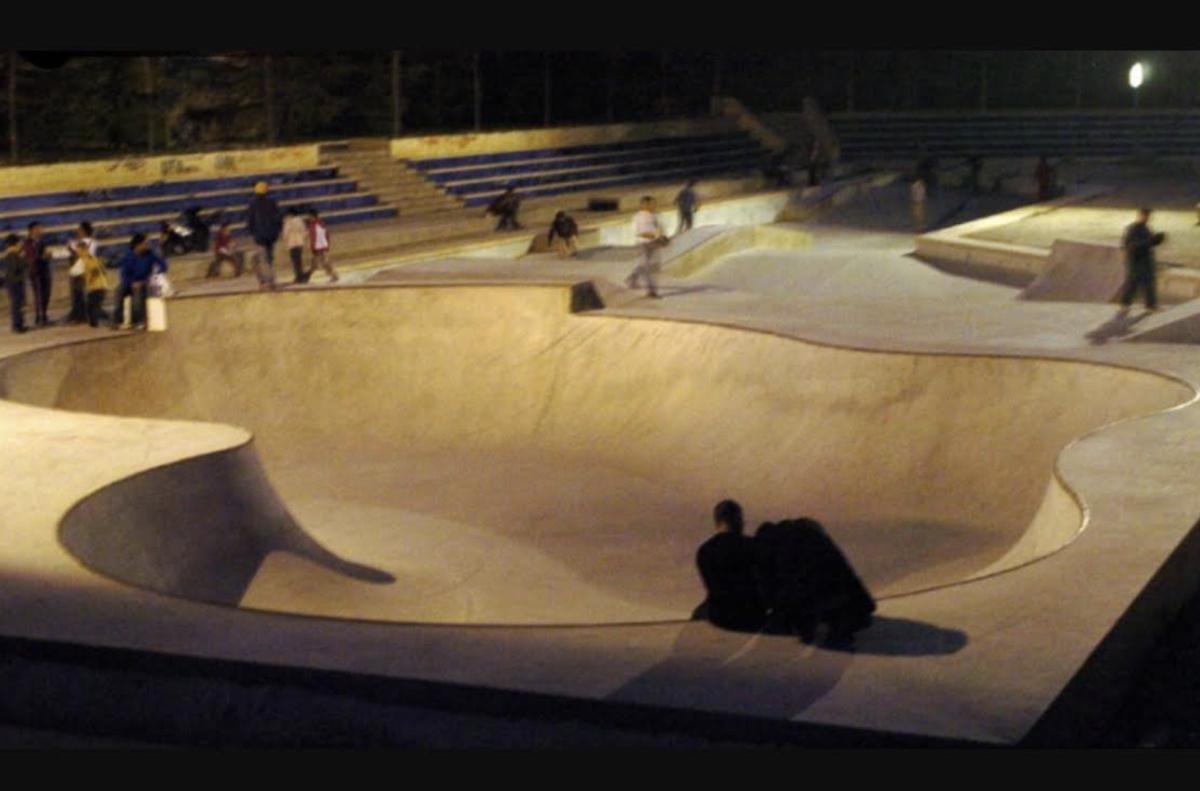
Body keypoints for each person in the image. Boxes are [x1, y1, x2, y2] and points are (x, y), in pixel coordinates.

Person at [753, 517, 876, 646]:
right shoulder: (804, 534)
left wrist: (788, 619)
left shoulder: (784, 548)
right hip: (849, 599)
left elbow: (795, 586)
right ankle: (847, 619)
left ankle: (842, 622)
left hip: (831, 599)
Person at [694, 500, 767, 632]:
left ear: (717, 521)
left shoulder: (704, 551)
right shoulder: (752, 546)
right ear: (737, 519)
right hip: (751, 617)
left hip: (718, 616)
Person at [111, 233, 167, 330]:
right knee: (119, 291)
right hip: (130, 282)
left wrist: (152, 274)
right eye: (145, 244)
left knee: (137, 293)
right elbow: (124, 274)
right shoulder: (128, 257)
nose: (147, 246)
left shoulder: (150, 254)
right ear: (138, 245)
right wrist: (131, 283)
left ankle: (138, 321)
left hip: (145, 282)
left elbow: (163, 266)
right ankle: (117, 321)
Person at [1119, 207, 1167, 313]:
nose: (1148, 218)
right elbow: (1131, 245)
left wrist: (1157, 240)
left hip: (1146, 260)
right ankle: (1125, 304)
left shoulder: (1146, 228)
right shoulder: (1133, 229)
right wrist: (1150, 241)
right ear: (1140, 215)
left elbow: (1149, 242)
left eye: (1149, 216)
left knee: (1149, 282)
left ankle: (1151, 305)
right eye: (1146, 215)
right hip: (1136, 260)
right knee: (1133, 282)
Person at [624, 196, 666, 299]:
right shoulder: (639, 217)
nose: (654, 206)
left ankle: (631, 279)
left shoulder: (655, 215)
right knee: (647, 267)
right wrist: (655, 236)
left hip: (654, 243)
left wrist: (662, 238)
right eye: (652, 204)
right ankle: (651, 291)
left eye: (654, 203)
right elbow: (639, 233)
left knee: (646, 265)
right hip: (643, 244)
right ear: (644, 204)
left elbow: (658, 229)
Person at [246, 181, 282, 290]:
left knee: (263, 259)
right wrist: (277, 232)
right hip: (271, 236)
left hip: (260, 236)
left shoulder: (252, 204)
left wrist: (252, 233)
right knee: (269, 259)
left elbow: (250, 220)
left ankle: (269, 281)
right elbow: (278, 219)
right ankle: (267, 280)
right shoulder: (272, 202)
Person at [66, 221, 97, 324]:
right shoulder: (81, 242)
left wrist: (72, 249)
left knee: (80, 294)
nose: (77, 232)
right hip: (77, 270)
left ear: (84, 231)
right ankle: (78, 314)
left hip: (83, 270)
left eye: (79, 230)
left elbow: (85, 254)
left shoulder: (88, 242)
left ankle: (81, 316)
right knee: (77, 293)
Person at [23, 221, 52, 326]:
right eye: (38, 229)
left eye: (41, 228)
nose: (40, 230)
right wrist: (42, 257)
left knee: (46, 294)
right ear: (32, 231)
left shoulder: (42, 242)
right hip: (35, 272)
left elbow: (43, 254)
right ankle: (40, 318)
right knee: (39, 295)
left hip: (44, 270)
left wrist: (48, 256)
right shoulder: (28, 243)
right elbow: (30, 257)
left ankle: (43, 315)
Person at [79, 242, 109, 328]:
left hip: (96, 287)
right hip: (99, 286)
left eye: (79, 250)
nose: (78, 252)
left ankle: (99, 324)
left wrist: (89, 279)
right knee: (92, 307)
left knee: (93, 307)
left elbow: (94, 271)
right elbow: (103, 270)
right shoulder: (92, 259)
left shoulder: (87, 259)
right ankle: (96, 324)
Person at [3, 233, 28, 334]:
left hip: (15, 282)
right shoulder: (12, 255)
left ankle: (19, 324)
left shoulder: (12, 254)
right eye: (19, 242)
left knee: (19, 304)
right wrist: (22, 258)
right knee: (16, 304)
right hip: (15, 282)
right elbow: (16, 268)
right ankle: (17, 325)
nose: (21, 244)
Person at [307, 209, 339, 283]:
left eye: (310, 216)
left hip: (320, 248)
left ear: (313, 216)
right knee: (318, 263)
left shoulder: (317, 225)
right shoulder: (316, 225)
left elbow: (319, 237)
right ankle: (334, 275)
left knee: (323, 263)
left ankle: (334, 275)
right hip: (319, 247)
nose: (309, 218)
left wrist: (321, 247)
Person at [282, 207, 310, 284]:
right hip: (300, 243)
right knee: (299, 261)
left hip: (292, 243)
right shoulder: (300, 221)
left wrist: (285, 241)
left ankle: (298, 277)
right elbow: (305, 232)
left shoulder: (288, 222)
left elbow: (285, 234)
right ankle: (301, 275)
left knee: (295, 261)